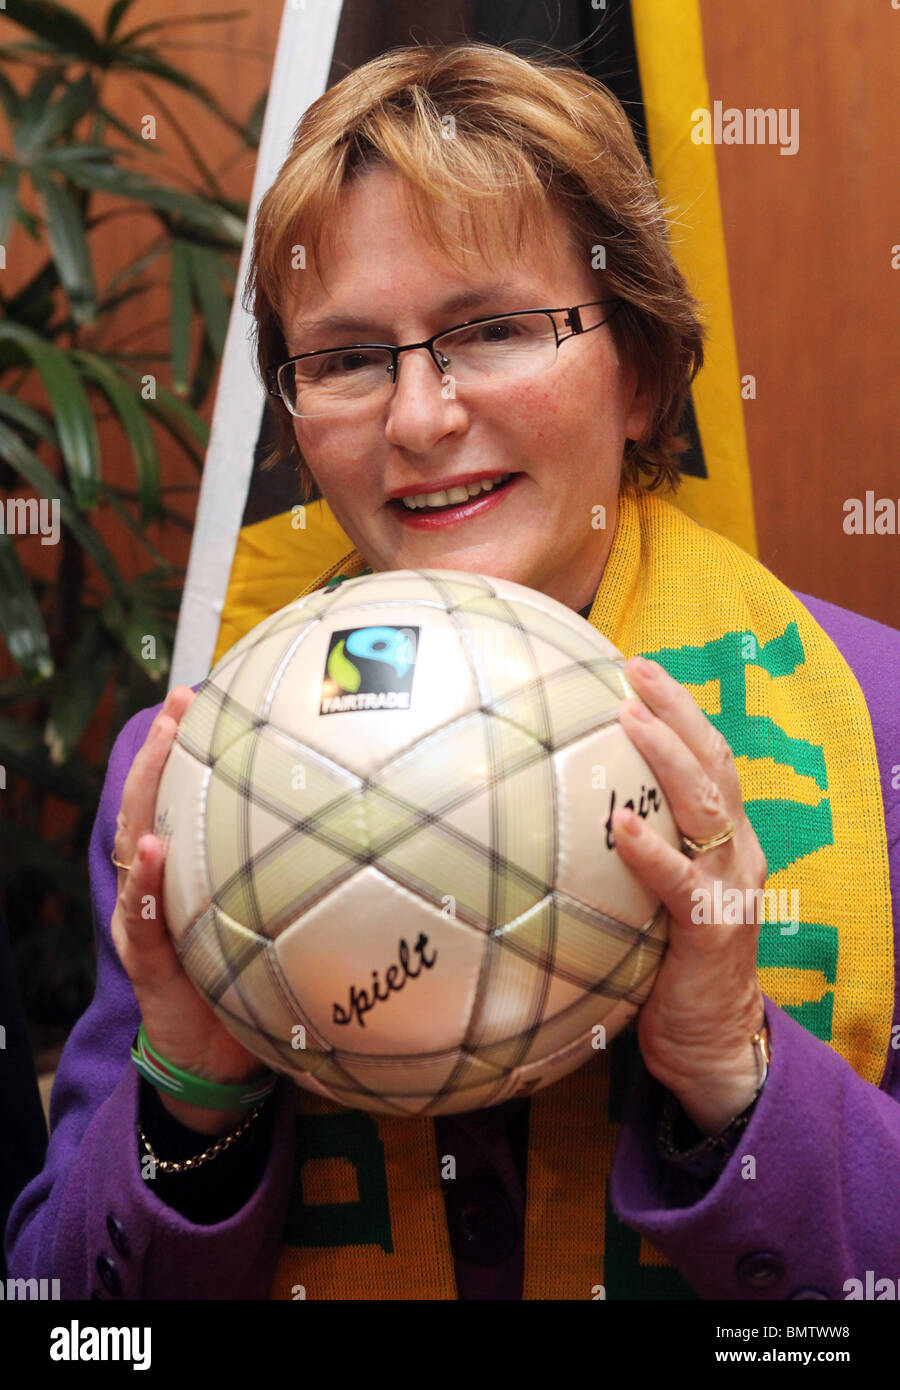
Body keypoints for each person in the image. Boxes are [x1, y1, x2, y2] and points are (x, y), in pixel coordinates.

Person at [6, 42, 900, 1302]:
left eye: (489, 331)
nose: (418, 420)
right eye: (350, 357)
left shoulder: (876, 725)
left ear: (640, 370)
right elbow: (65, 1322)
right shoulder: (185, 776)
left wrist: (729, 1071)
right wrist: (195, 1092)